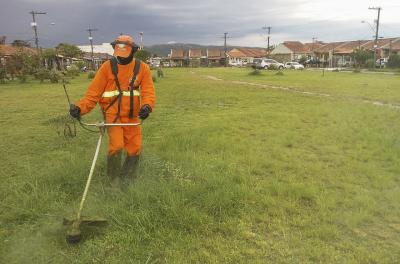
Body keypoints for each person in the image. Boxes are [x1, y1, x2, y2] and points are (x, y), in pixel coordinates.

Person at [69, 35, 155, 187]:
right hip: (113, 117)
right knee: (116, 146)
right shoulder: (106, 67)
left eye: (125, 54)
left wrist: (147, 106)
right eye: (118, 55)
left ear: (133, 51)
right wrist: (80, 108)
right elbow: (92, 94)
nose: (121, 59)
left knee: (134, 148)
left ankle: (128, 179)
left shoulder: (142, 68)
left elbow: (148, 91)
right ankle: (113, 181)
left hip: (132, 118)